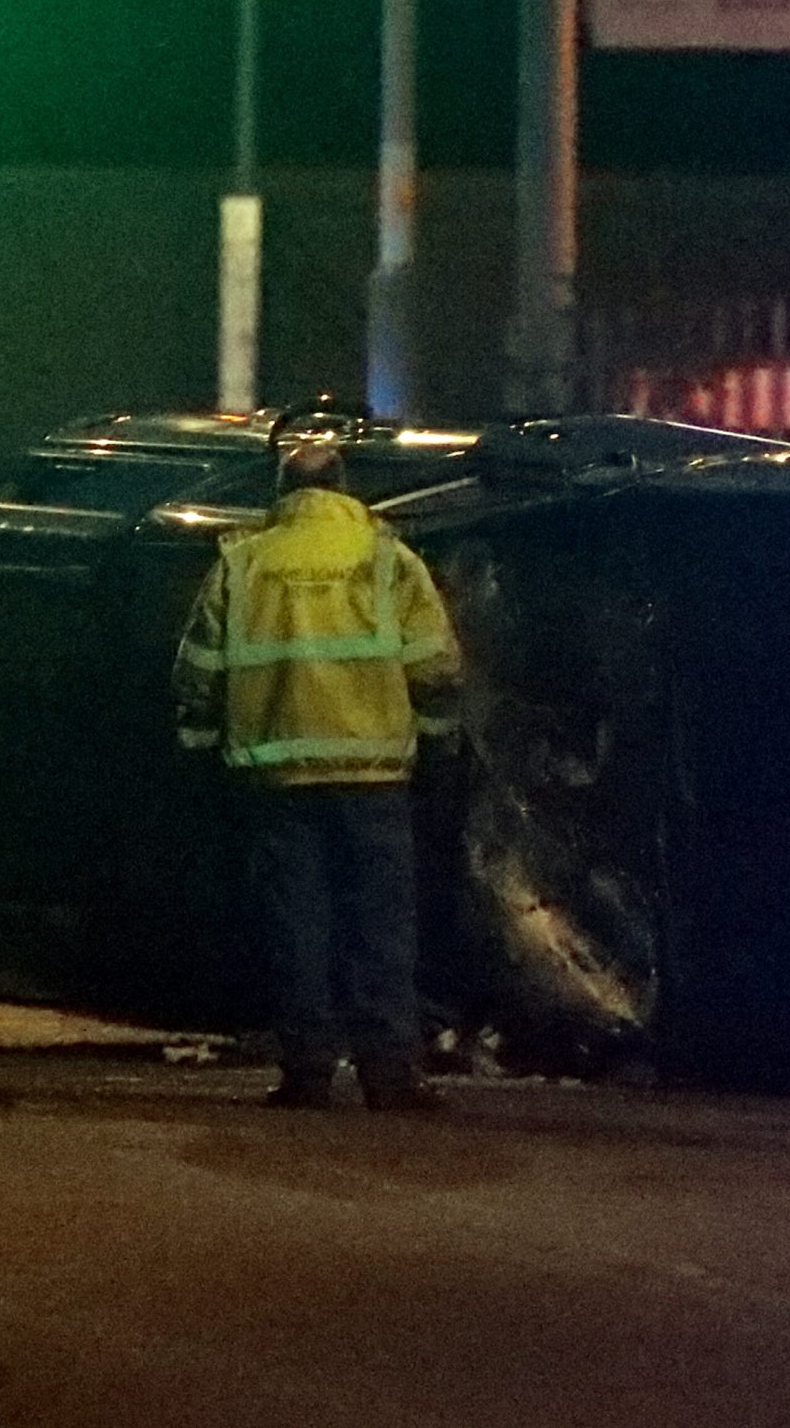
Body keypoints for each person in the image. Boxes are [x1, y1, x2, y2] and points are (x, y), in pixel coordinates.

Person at [172, 441, 463, 1111]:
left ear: (281, 491)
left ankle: (306, 1073)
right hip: (373, 774)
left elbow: (198, 672)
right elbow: (437, 667)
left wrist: (200, 746)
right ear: (342, 487)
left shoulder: (243, 564)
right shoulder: (385, 559)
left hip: (276, 780)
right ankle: (389, 1076)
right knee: (381, 925)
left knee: (296, 925)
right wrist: (439, 744)